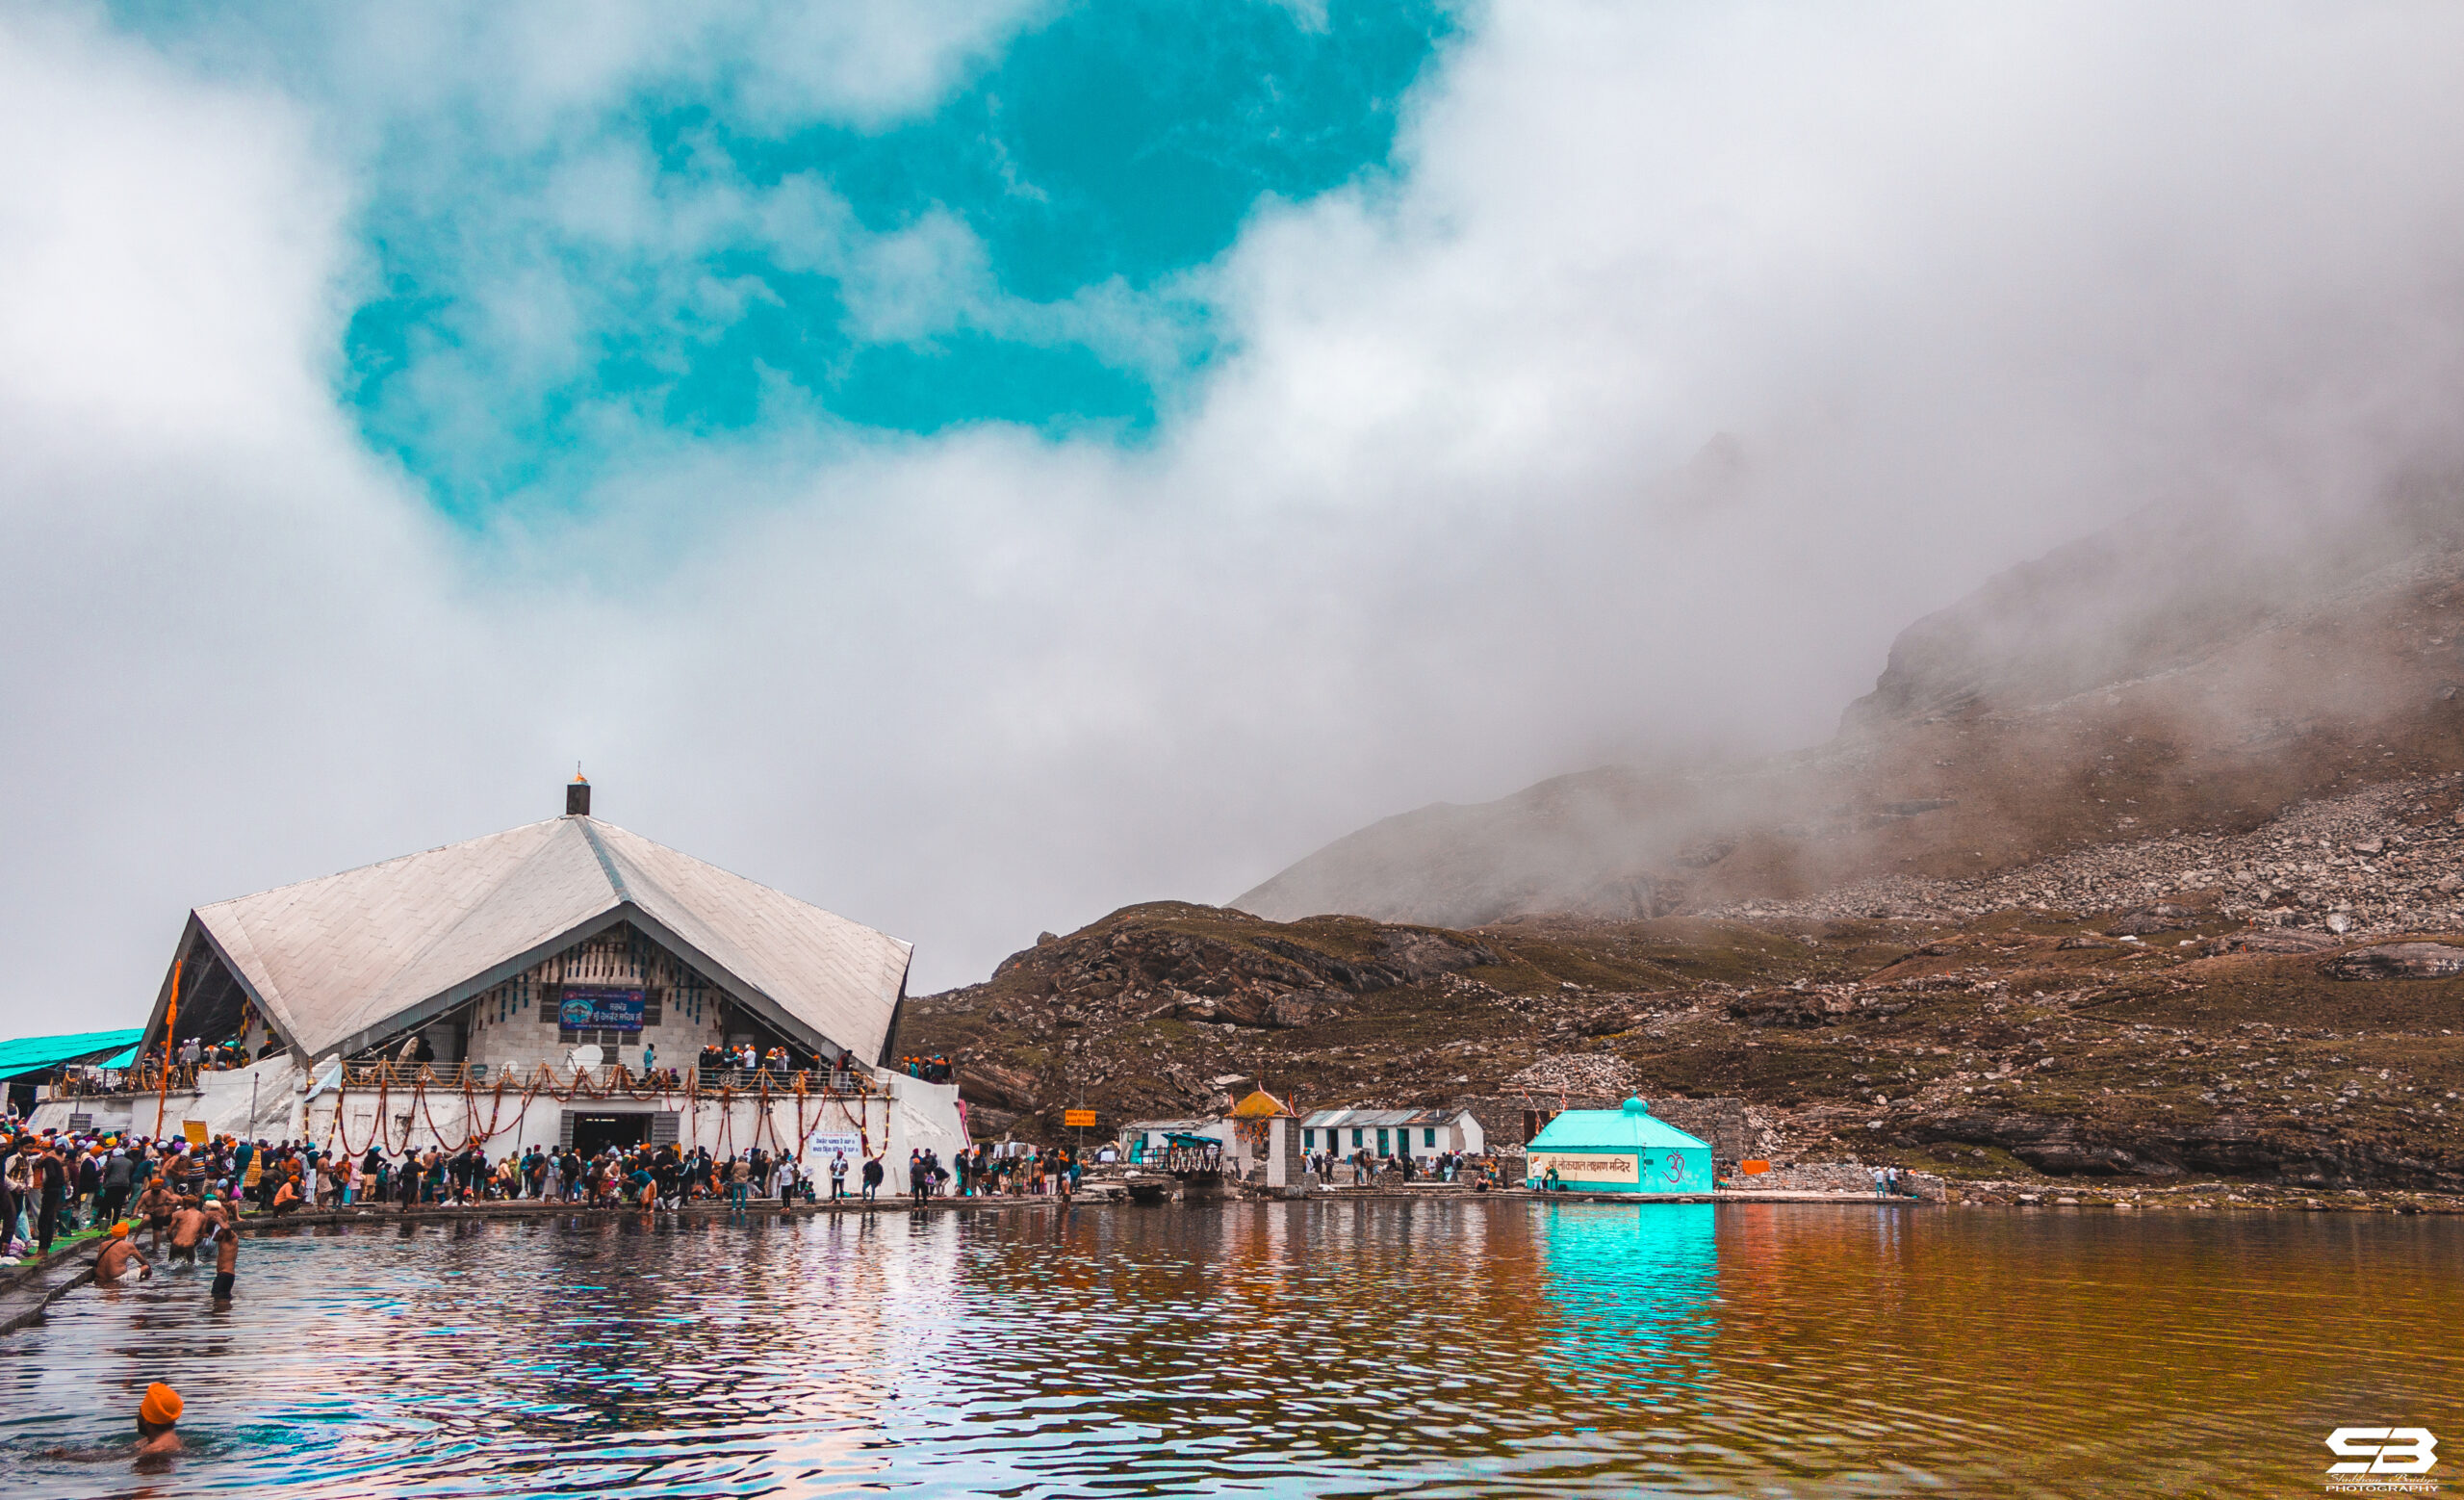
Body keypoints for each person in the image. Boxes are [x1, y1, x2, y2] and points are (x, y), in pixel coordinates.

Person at [135, 1383, 182, 1458]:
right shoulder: (175, 1441)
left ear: (146, 1420)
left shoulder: (152, 1450)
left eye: (140, 1411)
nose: (137, 1417)